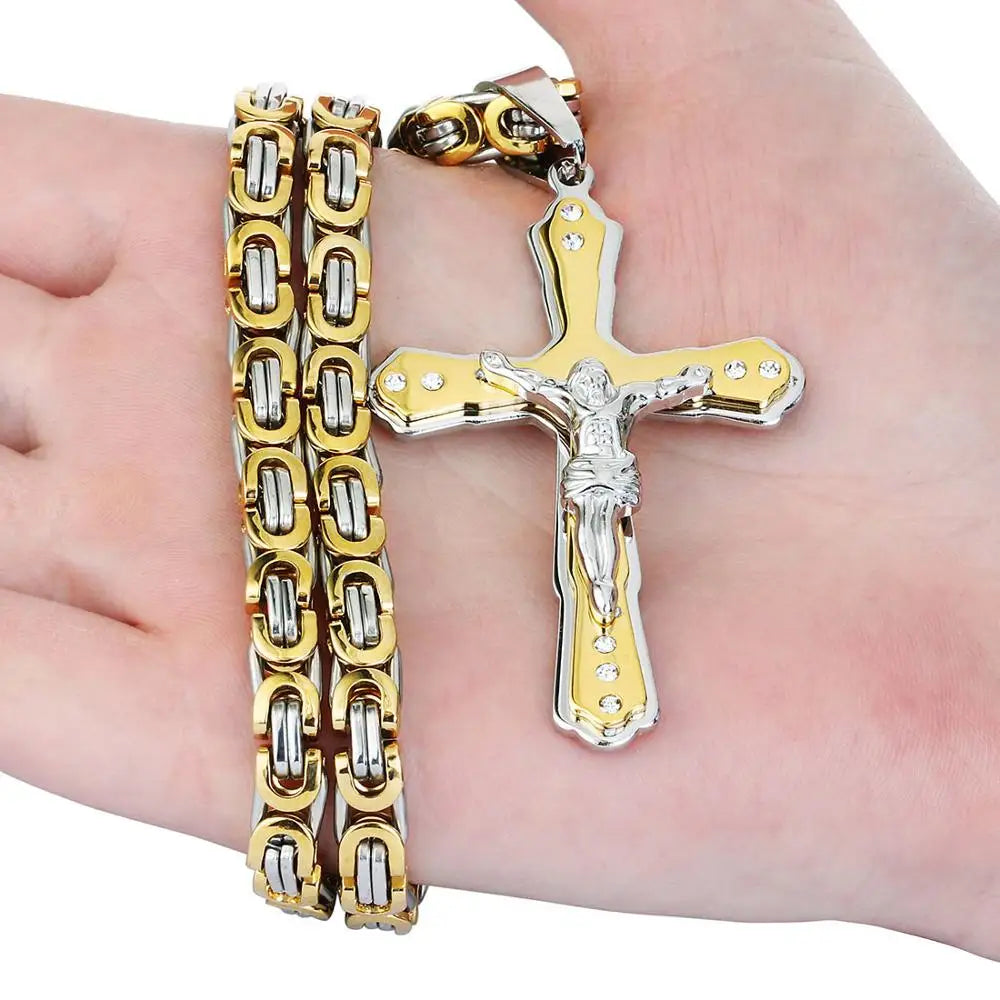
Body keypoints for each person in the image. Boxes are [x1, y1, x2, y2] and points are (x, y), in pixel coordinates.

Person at [1, 0, 998, 959]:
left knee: (602, 568)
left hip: (603, 482)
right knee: (596, 556)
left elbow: (736, 374)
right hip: (578, 466)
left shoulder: (643, 379)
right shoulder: (545, 379)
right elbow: (426, 384)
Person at [479, 350, 709, 621]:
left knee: (608, 521)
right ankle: (596, 578)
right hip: (586, 470)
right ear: (577, 383)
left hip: (616, 469)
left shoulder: (626, 398)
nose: (593, 385)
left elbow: (661, 390)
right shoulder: (570, 401)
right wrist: (502, 370)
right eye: (586, 380)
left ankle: (607, 579)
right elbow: (535, 385)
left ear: (607, 380)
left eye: (598, 378)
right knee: (589, 520)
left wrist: (690, 381)